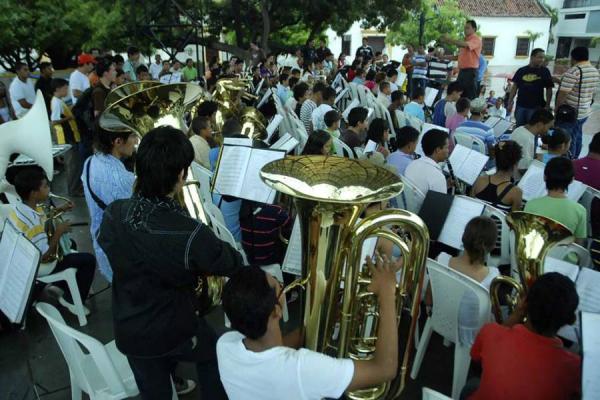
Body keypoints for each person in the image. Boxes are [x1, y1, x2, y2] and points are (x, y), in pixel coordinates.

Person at [97, 126, 244, 400]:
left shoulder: (114, 212)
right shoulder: (191, 233)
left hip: (129, 329)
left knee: (154, 393)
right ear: (180, 175)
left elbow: (108, 243)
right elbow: (231, 262)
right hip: (173, 328)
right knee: (214, 352)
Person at [217, 256, 399, 400]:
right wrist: (387, 293)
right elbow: (385, 369)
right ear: (276, 311)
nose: (283, 287)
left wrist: (325, 317)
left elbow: (274, 355)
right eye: (279, 286)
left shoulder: (225, 345)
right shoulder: (303, 369)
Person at [466, 273, 580, 400]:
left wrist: (515, 315)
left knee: (471, 385)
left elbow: (477, 359)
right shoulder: (575, 367)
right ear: (570, 320)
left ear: (525, 303)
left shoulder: (490, 332)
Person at [9, 167, 95, 316]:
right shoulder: (32, 223)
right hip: (39, 265)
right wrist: (58, 232)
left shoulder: (22, 208)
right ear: (34, 193)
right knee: (88, 260)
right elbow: (45, 256)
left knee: (71, 244)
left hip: (23, 260)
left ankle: (61, 285)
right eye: (45, 186)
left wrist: (61, 209)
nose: (49, 188)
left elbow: (44, 217)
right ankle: (71, 300)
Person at [81, 126, 137, 282]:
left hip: (101, 241)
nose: (136, 141)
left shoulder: (90, 161)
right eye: (133, 136)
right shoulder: (121, 179)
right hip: (120, 253)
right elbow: (137, 216)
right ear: (118, 141)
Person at [444, 217, 499, 345]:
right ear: (492, 246)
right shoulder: (493, 276)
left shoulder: (442, 259)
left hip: (442, 319)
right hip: (474, 335)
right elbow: (492, 312)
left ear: (463, 238)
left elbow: (429, 300)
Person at [524, 157, 587, 243]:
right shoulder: (580, 210)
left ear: (544, 177)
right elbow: (579, 243)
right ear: (572, 180)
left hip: (536, 250)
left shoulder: (531, 205)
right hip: (563, 252)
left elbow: (526, 235)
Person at [555, 46, 600, 158]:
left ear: (573, 57)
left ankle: (569, 160)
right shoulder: (594, 71)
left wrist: (557, 109)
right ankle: (575, 158)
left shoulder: (574, 71)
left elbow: (563, 94)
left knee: (567, 139)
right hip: (584, 112)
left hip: (570, 114)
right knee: (577, 135)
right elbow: (585, 88)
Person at [50, 78, 83, 196]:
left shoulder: (59, 101)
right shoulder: (56, 102)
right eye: (65, 88)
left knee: (75, 163)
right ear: (58, 89)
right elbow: (54, 121)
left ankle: (76, 187)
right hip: (66, 138)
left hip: (70, 137)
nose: (67, 91)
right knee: (72, 165)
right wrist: (69, 118)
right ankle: (73, 190)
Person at [507, 48, 554, 127]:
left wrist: (547, 105)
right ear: (532, 57)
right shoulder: (521, 70)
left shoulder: (545, 71)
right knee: (519, 128)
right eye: (540, 57)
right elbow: (515, 87)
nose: (542, 60)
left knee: (533, 129)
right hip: (520, 105)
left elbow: (549, 89)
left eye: (543, 58)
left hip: (536, 107)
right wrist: (510, 102)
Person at [471, 141, 523, 212]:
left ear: (496, 160)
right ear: (516, 163)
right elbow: (514, 217)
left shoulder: (479, 181)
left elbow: (469, 206)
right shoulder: (516, 192)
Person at [441, 20, 482, 99]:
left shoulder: (476, 39)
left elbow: (464, 45)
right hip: (462, 72)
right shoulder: (465, 41)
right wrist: (443, 57)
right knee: (459, 96)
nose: (465, 30)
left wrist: (449, 40)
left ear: (474, 29)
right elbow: (458, 57)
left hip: (470, 72)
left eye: (467, 28)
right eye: (465, 28)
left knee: (469, 97)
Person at [404, 129, 449, 195]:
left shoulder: (411, 165)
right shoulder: (438, 177)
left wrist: (445, 185)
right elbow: (440, 201)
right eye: (447, 147)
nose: (448, 151)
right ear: (438, 150)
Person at [511, 108, 554, 173]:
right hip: (518, 177)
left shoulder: (520, 129)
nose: (548, 131)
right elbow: (522, 169)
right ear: (540, 124)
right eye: (549, 127)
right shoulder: (526, 138)